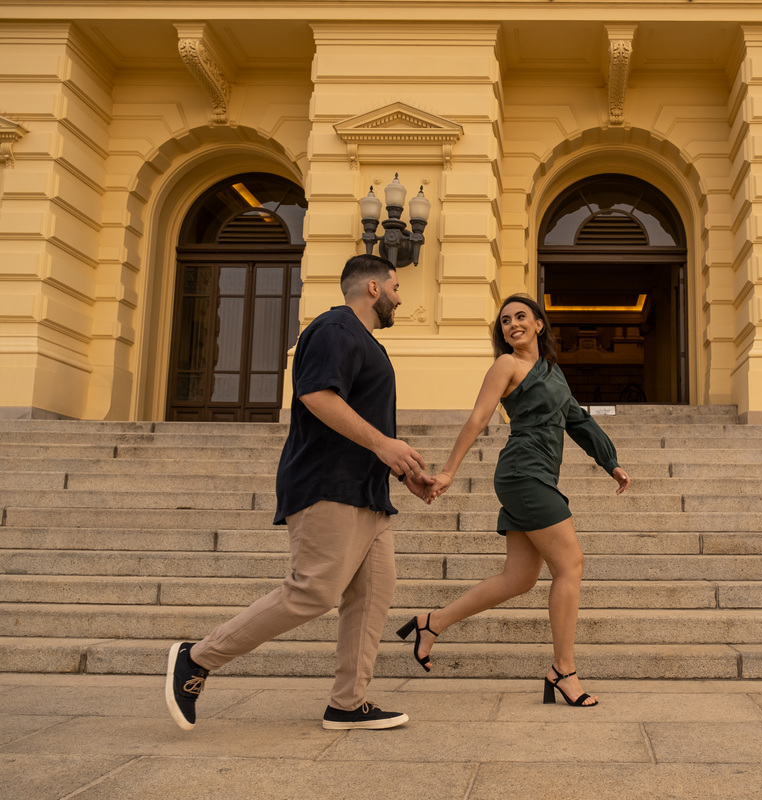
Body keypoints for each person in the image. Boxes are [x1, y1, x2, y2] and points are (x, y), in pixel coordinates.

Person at [165, 253, 434, 732]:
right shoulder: (334, 329)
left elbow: (360, 417)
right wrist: (384, 445)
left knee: (373, 594)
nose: (399, 296)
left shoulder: (363, 340)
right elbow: (317, 395)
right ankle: (197, 658)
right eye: (395, 287)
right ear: (373, 288)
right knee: (314, 590)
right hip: (326, 484)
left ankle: (347, 703)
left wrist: (398, 469)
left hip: (366, 492)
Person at [397, 293, 631, 707]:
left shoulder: (553, 372)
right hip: (524, 473)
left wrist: (609, 461)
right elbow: (477, 418)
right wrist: (449, 470)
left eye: (521, 317)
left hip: (537, 474)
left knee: (519, 579)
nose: (513, 324)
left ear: (540, 324)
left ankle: (431, 623)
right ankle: (564, 670)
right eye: (505, 321)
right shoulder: (506, 365)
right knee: (570, 565)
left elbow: (576, 418)